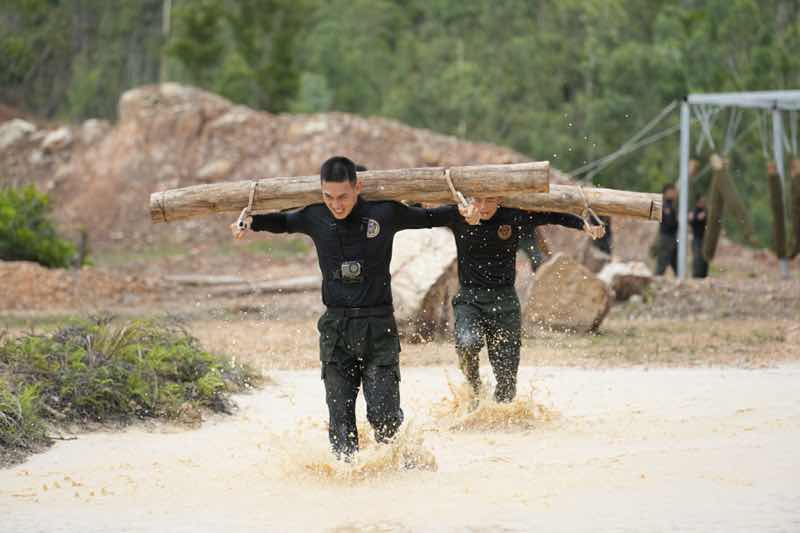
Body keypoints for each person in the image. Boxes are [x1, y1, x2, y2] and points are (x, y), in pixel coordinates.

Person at [231, 156, 475, 459]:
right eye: (328, 196)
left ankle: (403, 474)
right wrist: (251, 221)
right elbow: (283, 222)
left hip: (378, 328)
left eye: (343, 196)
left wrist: (464, 212)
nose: (336, 204)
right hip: (336, 330)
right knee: (340, 424)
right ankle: (347, 486)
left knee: (384, 420)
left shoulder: (384, 213)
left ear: (358, 187)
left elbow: (429, 217)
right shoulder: (315, 216)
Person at [435, 198, 605, 403]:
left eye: (490, 200)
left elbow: (552, 215)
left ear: (500, 200)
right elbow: (421, 216)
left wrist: (583, 224)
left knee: (507, 380)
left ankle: (502, 413)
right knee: (467, 342)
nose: (483, 207)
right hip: (470, 299)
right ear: (470, 198)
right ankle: (474, 388)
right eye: (478, 200)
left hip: (505, 300)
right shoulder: (458, 215)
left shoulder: (513, 215)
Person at [655, 183, 678, 276]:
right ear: (666, 193)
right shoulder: (665, 206)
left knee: (676, 264)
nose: (674, 193)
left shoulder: (671, 206)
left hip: (672, 237)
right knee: (661, 265)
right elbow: (669, 223)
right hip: (666, 238)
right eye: (672, 191)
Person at [689, 195, 708, 278]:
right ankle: (696, 275)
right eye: (701, 202)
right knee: (697, 258)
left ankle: (703, 275)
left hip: (704, 238)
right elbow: (692, 221)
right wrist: (697, 217)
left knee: (704, 258)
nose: (703, 204)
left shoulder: (705, 211)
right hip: (697, 238)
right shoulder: (695, 211)